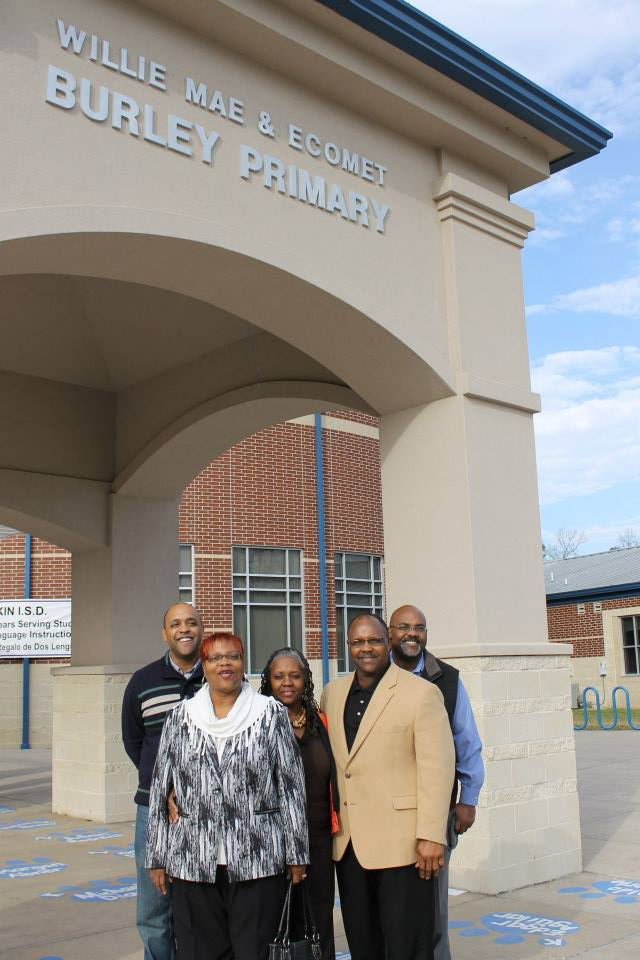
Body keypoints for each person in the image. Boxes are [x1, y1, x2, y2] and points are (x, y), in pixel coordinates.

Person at [146, 632, 309, 960]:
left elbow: (291, 786)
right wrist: (157, 857)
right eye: (214, 658)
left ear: (243, 663)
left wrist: (297, 853)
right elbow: (160, 788)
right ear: (203, 666)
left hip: (258, 860)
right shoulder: (181, 717)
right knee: (200, 950)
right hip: (193, 859)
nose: (225, 663)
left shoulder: (270, 713)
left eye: (232, 656)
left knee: (255, 950)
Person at [320, 613, 454, 960]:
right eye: (358, 642)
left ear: (388, 642)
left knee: (407, 944)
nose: (366, 648)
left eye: (374, 641)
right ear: (349, 647)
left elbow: (437, 769)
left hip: (403, 845)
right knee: (363, 943)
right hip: (349, 845)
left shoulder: (422, 693)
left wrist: (431, 836)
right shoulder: (332, 694)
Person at [388, 604, 484, 960]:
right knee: (391, 906)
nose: (412, 634)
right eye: (404, 627)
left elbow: (468, 743)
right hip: (385, 813)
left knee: (432, 912)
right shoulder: (373, 674)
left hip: (435, 814)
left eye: (419, 628)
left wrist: (468, 798)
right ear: (389, 632)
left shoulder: (448, 679)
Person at [121, 602, 205, 960]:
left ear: (201, 629)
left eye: (190, 622)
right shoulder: (143, 682)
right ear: (165, 633)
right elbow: (134, 740)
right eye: (175, 624)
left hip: (205, 811)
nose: (183, 629)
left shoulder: (217, 675)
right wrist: (162, 788)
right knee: (153, 910)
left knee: (200, 906)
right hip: (152, 812)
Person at [260, 647, 339, 960]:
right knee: (279, 922)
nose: (287, 682)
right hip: (273, 841)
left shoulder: (321, 723)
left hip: (318, 837)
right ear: (268, 681)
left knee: (318, 918)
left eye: (294, 675)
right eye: (278, 676)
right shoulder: (258, 723)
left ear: (305, 679)